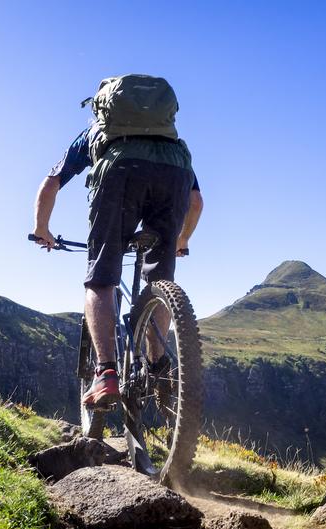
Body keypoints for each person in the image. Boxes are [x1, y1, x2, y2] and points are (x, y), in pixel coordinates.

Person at [32, 75, 203, 410]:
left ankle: (106, 373)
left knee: (102, 278)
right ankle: (157, 367)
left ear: (104, 107)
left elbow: (51, 183)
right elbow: (196, 201)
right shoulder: (174, 145)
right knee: (160, 280)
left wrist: (42, 229)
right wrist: (182, 239)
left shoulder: (95, 133)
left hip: (120, 173)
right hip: (174, 177)